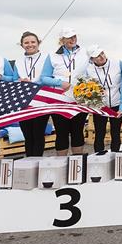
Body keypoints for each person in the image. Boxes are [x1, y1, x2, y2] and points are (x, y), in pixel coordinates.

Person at [41, 27, 89, 156]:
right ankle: (61, 165)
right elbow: (44, 77)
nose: (72, 39)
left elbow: (91, 72)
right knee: (62, 132)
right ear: (62, 40)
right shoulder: (52, 56)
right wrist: (59, 83)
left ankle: (77, 164)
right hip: (60, 99)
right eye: (69, 37)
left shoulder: (85, 52)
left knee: (77, 131)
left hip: (79, 99)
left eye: (74, 36)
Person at [13, 31, 51, 156]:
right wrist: (19, 81)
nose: (30, 45)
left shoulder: (47, 58)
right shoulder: (18, 61)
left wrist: (34, 83)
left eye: (33, 42)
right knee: (28, 135)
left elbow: (49, 77)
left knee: (38, 134)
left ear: (38, 43)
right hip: (24, 102)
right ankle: (29, 162)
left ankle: (37, 162)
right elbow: (14, 79)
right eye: (26, 42)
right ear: (22, 45)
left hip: (41, 101)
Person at [87, 45, 122, 153]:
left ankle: (115, 156)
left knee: (115, 132)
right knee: (100, 133)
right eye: (97, 56)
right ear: (92, 59)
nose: (101, 57)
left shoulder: (118, 64)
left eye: (102, 53)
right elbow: (86, 89)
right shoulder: (89, 70)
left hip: (116, 104)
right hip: (100, 106)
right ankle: (99, 157)